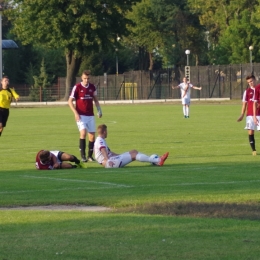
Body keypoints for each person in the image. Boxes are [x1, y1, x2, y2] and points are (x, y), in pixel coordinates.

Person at [94, 124, 169, 168]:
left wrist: (121, 155)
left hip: (112, 160)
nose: (107, 133)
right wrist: (108, 160)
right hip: (110, 162)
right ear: (104, 132)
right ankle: (158, 160)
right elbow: (103, 150)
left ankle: (155, 161)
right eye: (106, 131)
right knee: (134, 155)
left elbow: (109, 152)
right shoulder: (100, 140)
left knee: (134, 151)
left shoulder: (100, 140)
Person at [68, 70, 102, 163]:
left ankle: (90, 156)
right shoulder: (77, 87)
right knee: (83, 133)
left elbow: (96, 100)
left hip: (90, 115)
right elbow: (69, 101)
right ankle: (83, 156)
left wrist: (99, 110)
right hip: (80, 115)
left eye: (88, 78)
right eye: (84, 78)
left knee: (92, 136)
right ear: (81, 78)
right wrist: (75, 113)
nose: (86, 80)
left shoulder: (92, 87)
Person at [238, 74, 260, 156]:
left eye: (251, 81)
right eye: (248, 82)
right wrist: (242, 114)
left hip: (259, 114)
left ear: (255, 80)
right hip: (250, 115)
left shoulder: (258, 89)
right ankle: (254, 150)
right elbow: (244, 104)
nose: (250, 83)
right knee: (250, 132)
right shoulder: (247, 91)